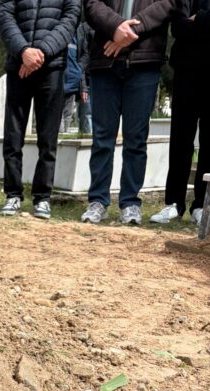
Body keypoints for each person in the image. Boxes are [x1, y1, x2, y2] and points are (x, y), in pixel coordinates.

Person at [82, 0, 180, 226]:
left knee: (136, 139)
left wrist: (131, 29)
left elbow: (169, 3)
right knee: (102, 138)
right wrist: (116, 27)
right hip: (105, 60)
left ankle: (130, 202)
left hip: (144, 60)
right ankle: (98, 200)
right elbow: (91, 4)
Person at [0, 0, 80, 220]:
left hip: (52, 66)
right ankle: (13, 194)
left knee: (48, 138)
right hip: (18, 65)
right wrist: (23, 51)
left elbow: (70, 19)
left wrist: (40, 53)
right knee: (13, 136)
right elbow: (6, 16)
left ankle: (42, 197)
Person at [150, 0, 210, 224]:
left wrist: (199, 18)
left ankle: (201, 206)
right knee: (180, 140)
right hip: (186, 68)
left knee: (209, 143)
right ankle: (173, 203)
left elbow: (190, 24)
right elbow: (178, 26)